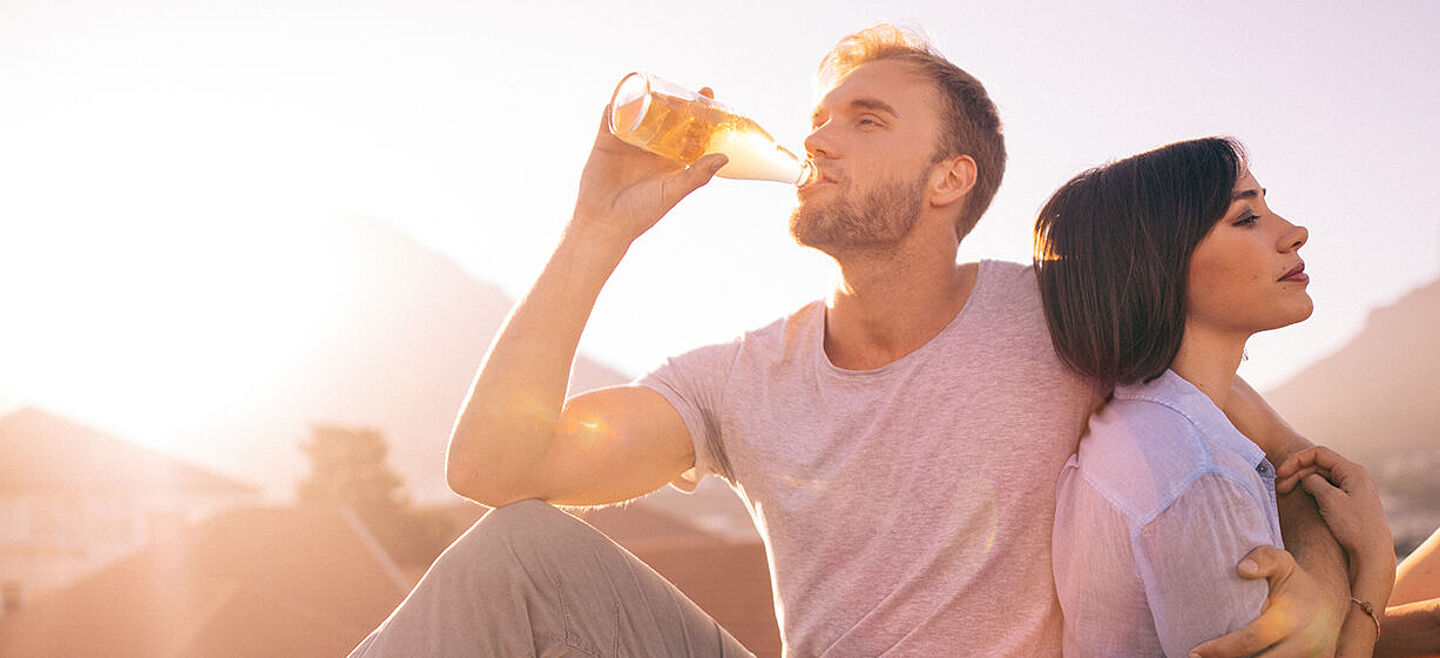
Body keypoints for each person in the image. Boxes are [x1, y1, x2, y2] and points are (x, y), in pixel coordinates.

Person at [351, 26, 1351, 657]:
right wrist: (595, 228)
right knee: (515, 555)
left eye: (865, 120)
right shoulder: (739, 378)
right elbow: (494, 466)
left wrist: (1314, 586)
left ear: (949, 180)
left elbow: (1283, 462)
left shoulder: (1063, 314)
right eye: (820, 120)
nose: (818, 140)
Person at [1036, 137, 1396, 656]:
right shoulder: (1197, 474)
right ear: (1158, 262)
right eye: (1246, 218)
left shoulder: (1142, 424)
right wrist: (1375, 571)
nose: (1295, 234)